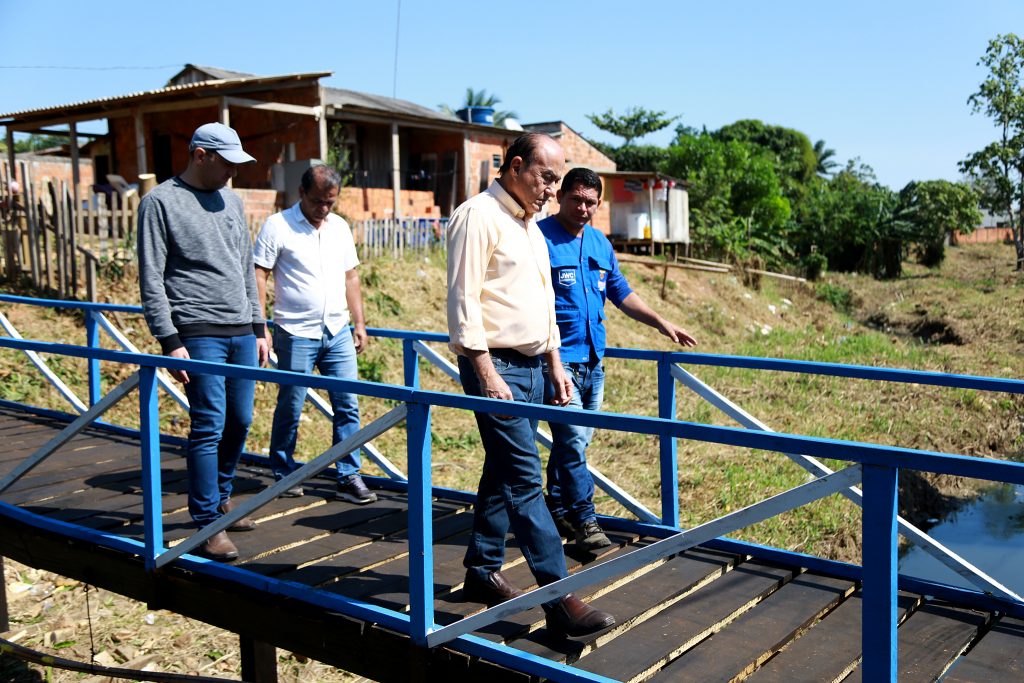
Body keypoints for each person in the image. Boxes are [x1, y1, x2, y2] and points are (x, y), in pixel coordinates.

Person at [447, 132, 615, 637]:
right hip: (495, 366)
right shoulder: (478, 216)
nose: (551, 189)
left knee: (503, 471)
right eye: (546, 178)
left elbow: (542, 303)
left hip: (535, 367)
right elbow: (463, 302)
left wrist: (556, 363)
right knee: (524, 481)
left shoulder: (529, 226)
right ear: (515, 166)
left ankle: (481, 570)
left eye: (556, 179)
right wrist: (486, 372)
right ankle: (559, 601)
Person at [539, 168, 698, 551]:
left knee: (573, 444)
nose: (582, 208)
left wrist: (661, 323)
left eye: (591, 202)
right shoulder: (538, 239)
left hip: (594, 363)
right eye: (576, 199)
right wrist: (552, 360)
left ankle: (555, 504)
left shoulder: (599, 243)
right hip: (558, 361)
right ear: (560, 196)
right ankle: (586, 522)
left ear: (599, 204)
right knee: (573, 442)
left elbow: (621, 292)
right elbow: (533, 304)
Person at [138, 122, 268, 562]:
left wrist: (259, 326)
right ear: (200, 154)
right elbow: (152, 277)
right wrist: (170, 339)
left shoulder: (231, 200)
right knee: (208, 424)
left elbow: (244, 266)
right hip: (197, 330)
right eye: (226, 162)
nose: (233, 171)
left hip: (240, 329)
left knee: (242, 419)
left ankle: (222, 497)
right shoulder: (159, 202)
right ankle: (208, 522)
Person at [253, 164, 375, 504]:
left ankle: (349, 474)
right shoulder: (278, 226)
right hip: (295, 330)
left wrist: (360, 323)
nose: (323, 209)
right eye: (318, 201)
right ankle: (283, 470)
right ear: (302, 194)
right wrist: (259, 323)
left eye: (330, 203)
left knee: (347, 403)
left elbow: (351, 277)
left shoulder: (339, 227)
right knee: (292, 403)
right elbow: (259, 274)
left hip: (337, 329)